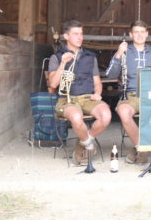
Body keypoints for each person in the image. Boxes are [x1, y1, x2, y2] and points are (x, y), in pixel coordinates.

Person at [48, 20, 112, 164]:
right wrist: (63, 63)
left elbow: (97, 82)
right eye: (75, 34)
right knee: (76, 117)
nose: (80, 37)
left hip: (88, 98)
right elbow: (53, 84)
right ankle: (89, 145)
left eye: (81, 34)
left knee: (106, 116)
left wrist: (98, 93)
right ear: (66, 36)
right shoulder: (57, 57)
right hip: (66, 100)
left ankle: (82, 143)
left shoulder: (90, 57)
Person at [106, 20, 151, 164]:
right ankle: (142, 148)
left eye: (142, 32)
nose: (139, 35)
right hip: (130, 95)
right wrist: (118, 53)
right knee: (123, 112)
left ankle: (140, 148)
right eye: (136, 32)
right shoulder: (124, 52)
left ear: (147, 34)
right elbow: (110, 74)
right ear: (131, 34)